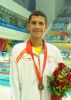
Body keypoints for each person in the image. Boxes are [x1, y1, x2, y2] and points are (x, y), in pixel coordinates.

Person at [10, 10, 63, 100]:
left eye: (41, 23)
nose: (37, 26)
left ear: (45, 27)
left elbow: (61, 80)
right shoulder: (18, 50)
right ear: (28, 26)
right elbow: (14, 83)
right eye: (34, 23)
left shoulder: (54, 51)